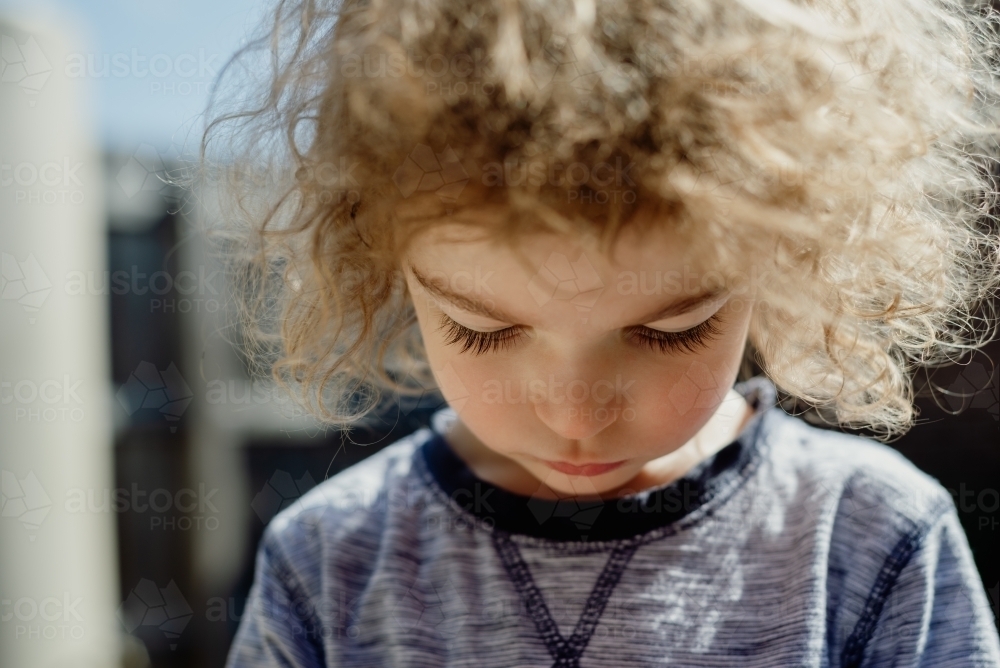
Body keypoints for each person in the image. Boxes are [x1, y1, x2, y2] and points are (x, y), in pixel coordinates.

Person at [203, 0, 1000, 664]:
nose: (576, 417)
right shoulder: (328, 563)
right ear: (382, 260)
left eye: (670, 332)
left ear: (790, 260)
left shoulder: (870, 541)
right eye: (481, 330)